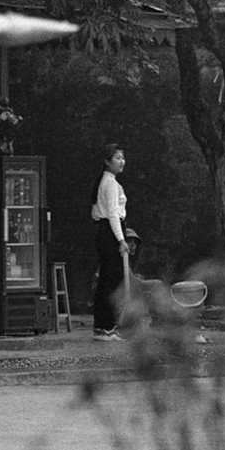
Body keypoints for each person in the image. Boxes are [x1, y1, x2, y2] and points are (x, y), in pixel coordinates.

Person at [90, 144, 128, 341]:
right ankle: (107, 326)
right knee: (111, 281)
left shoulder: (106, 182)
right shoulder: (110, 184)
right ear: (107, 161)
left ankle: (102, 326)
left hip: (105, 231)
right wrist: (121, 239)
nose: (122, 162)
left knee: (106, 279)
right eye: (117, 158)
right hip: (110, 232)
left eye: (122, 157)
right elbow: (113, 213)